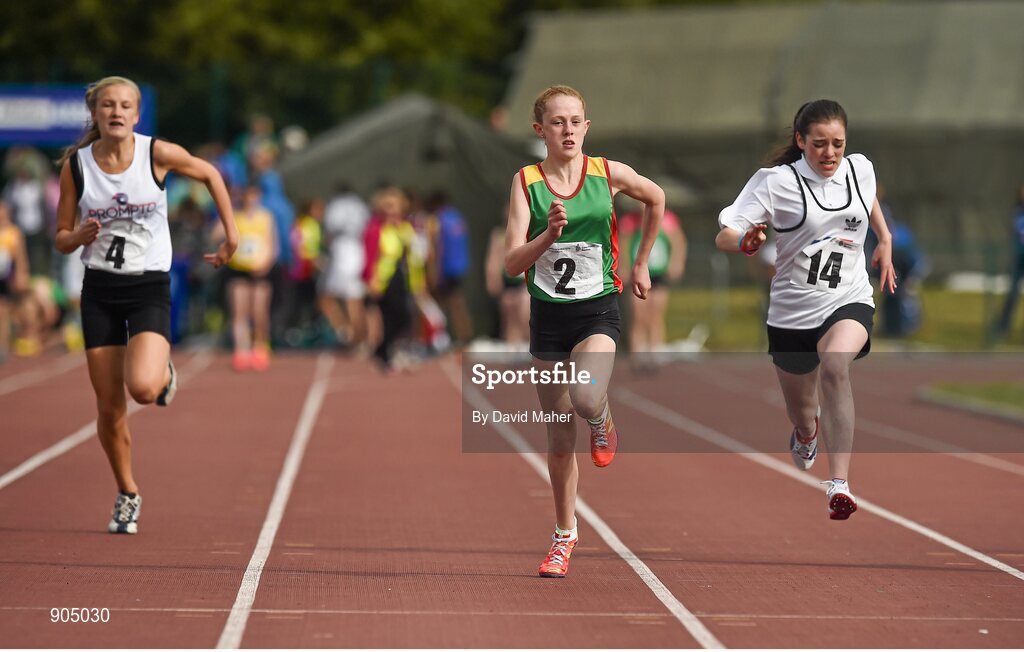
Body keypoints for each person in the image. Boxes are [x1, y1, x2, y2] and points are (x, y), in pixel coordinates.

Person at [55, 76, 237, 535]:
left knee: (141, 388)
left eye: (125, 106)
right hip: (100, 290)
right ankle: (127, 492)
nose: (116, 112)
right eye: (108, 106)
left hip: (148, 285)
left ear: (137, 115)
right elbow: (60, 237)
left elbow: (211, 173)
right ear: (96, 114)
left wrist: (231, 235)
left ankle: (162, 374)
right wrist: (77, 237)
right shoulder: (76, 167)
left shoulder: (155, 153)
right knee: (109, 406)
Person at [505, 85, 666, 577]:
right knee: (557, 441)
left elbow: (656, 199)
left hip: (597, 309)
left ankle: (603, 419)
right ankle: (564, 535)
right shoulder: (526, 182)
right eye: (558, 122)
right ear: (541, 130)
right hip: (548, 317)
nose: (568, 130)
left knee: (586, 398)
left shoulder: (607, 173)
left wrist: (640, 264)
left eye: (576, 121)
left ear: (587, 127)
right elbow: (511, 263)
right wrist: (548, 235)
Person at [716, 99, 896, 521]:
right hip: (792, 312)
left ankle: (839, 483)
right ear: (800, 141)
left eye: (838, 143)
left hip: (847, 297)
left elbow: (867, 202)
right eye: (819, 144)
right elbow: (726, 234)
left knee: (835, 365)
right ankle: (806, 432)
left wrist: (884, 238)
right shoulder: (776, 182)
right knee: (802, 410)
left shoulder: (859, 169)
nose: (830, 153)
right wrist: (746, 242)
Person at [620, 203, 687, 369]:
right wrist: (623, 267)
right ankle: (637, 356)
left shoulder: (667, 219)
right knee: (638, 315)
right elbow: (622, 245)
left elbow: (679, 242)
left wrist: (676, 263)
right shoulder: (629, 221)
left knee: (656, 315)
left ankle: (655, 354)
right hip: (638, 273)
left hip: (658, 273)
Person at [218, 185, 277, 371]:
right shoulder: (235, 216)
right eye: (247, 195)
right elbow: (218, 233)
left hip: (260, 270)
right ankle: (241, 351)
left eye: (253, 195)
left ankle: (260, 346)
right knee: (239, 311)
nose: (250, 199)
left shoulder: (266, 217)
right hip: (238, 270)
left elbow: (272, 243)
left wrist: (265, 264)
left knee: (259, 312)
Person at [485, 203, 529, 348]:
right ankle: (512, 349)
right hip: (509, 282)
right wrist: (493, 278)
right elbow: (493, 260)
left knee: (524, 310)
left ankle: (527, 345)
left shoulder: (530, 231)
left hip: (525, 283)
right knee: (508, 313)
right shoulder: (499, 234)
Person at [993, 183, 1024, 340]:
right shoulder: (1017, 214)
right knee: (1012, 293)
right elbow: (1017, 233)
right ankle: (1002, 328)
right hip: (1019, 258)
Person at [0, 200, 29, 363]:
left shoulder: (13, 232)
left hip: (6, 278)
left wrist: (21, 274)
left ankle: (3, 347)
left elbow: (20, 257)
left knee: (4, 312)